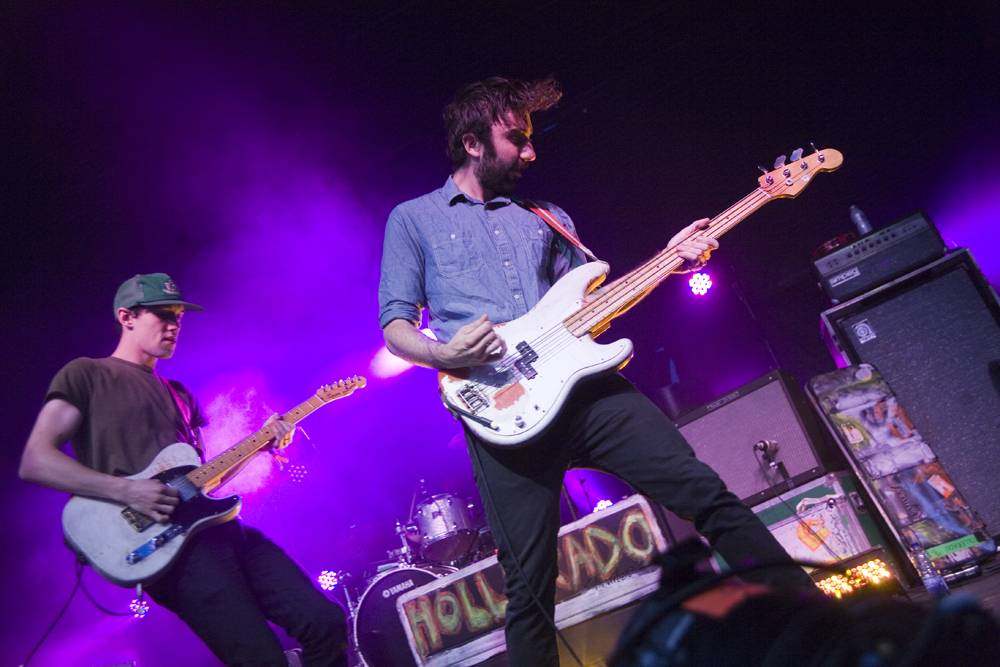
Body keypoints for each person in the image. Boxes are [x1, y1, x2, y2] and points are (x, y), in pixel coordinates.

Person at [378, 77, 815, 666]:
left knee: (707, 495)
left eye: (531, 138)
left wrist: (670, 260)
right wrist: (446, 354)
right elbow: (395, 326)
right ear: (473, 143)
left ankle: (819, 629)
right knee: (529, 588)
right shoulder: (413, 220)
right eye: (516, 139)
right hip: (500, 413)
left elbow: (587, 309)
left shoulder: (549, 217)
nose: (531, 152)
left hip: (589, 395)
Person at [19, 273, 346, 666]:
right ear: (126, 317)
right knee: (262, 660)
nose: (174, 325)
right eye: (162, 315)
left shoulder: (180, 394)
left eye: (178, 316)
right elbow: (36, 460)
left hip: (222, 532)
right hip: (169, 551)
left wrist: (262, 444)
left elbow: (199, 481)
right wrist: (126, 490)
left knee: (325, 623)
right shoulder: (87, 374)